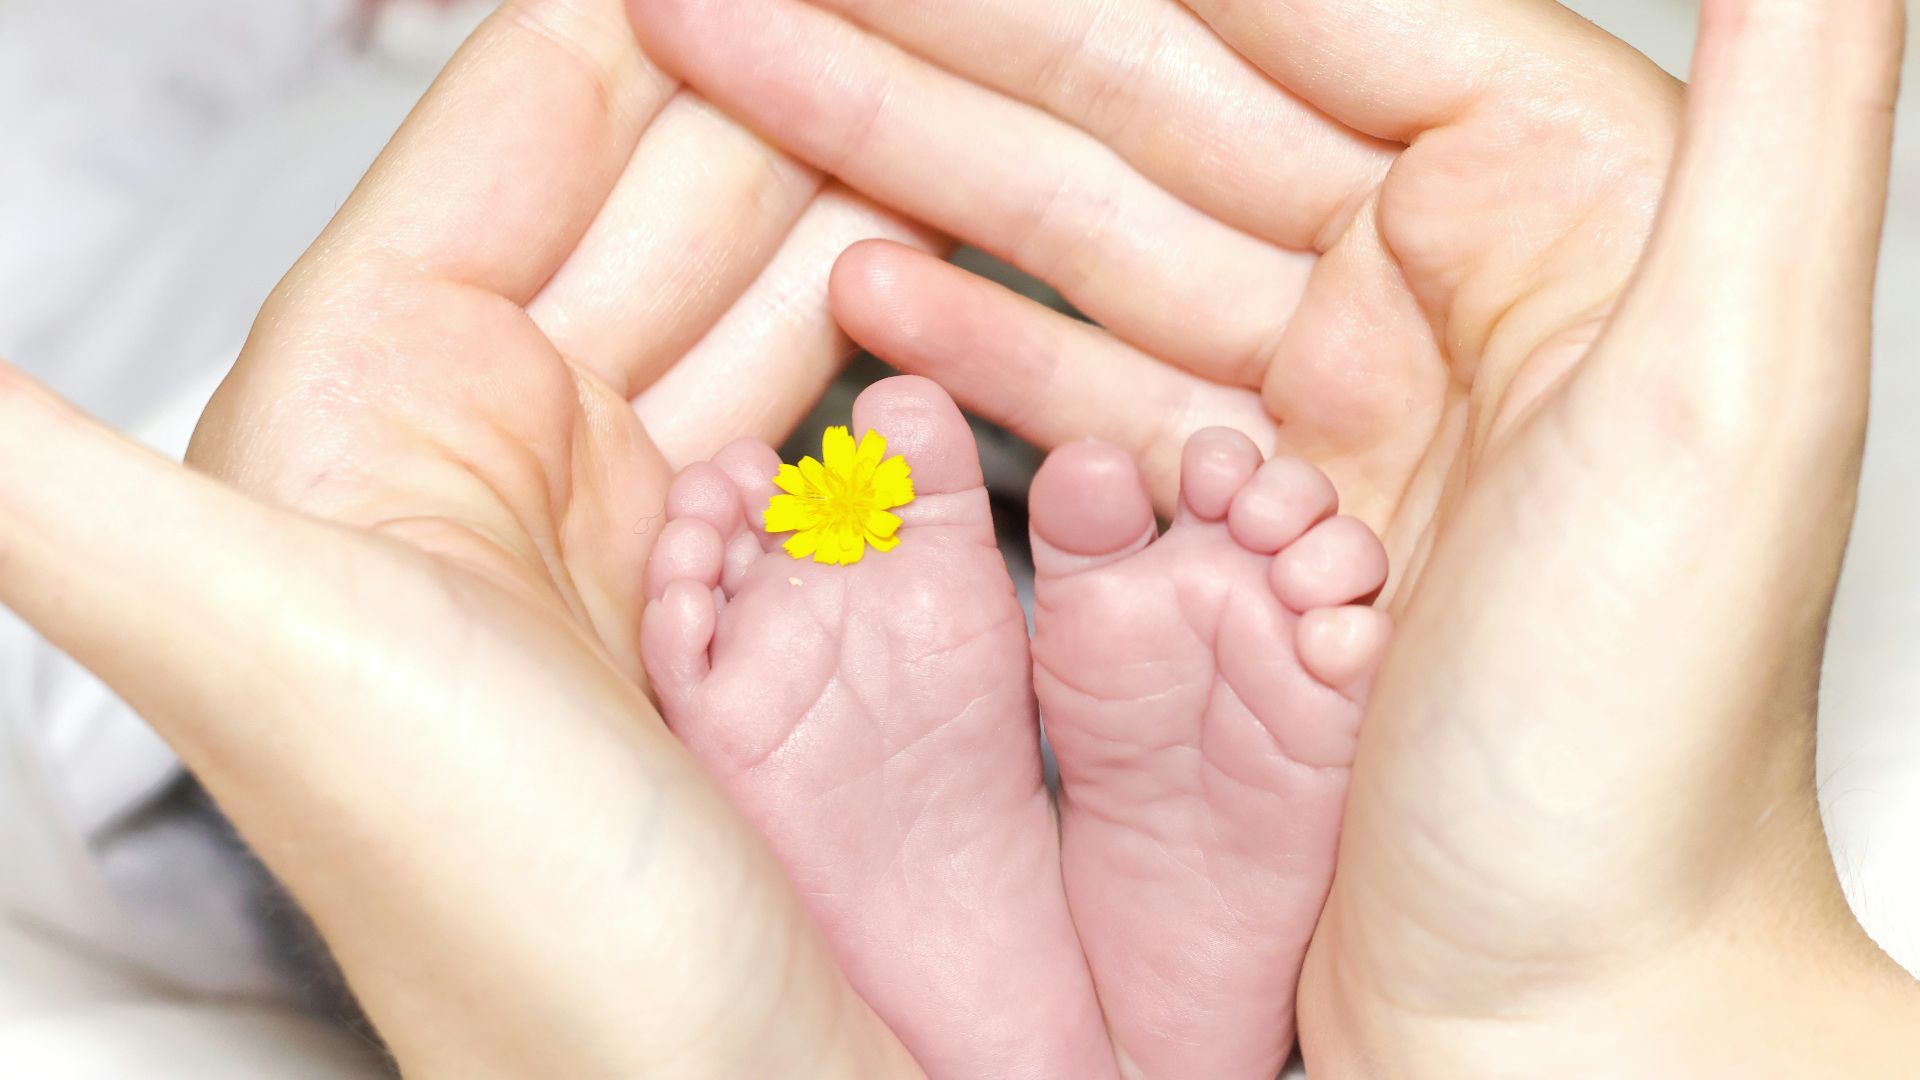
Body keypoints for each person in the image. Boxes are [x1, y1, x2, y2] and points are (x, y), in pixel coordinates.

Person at [0, 1, 1911, 1077]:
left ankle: (964, 949)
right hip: (1106, 406)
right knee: (1122, 512)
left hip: (698, 440)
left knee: (496, 621)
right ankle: (1130, 982)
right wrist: (1625, 992)